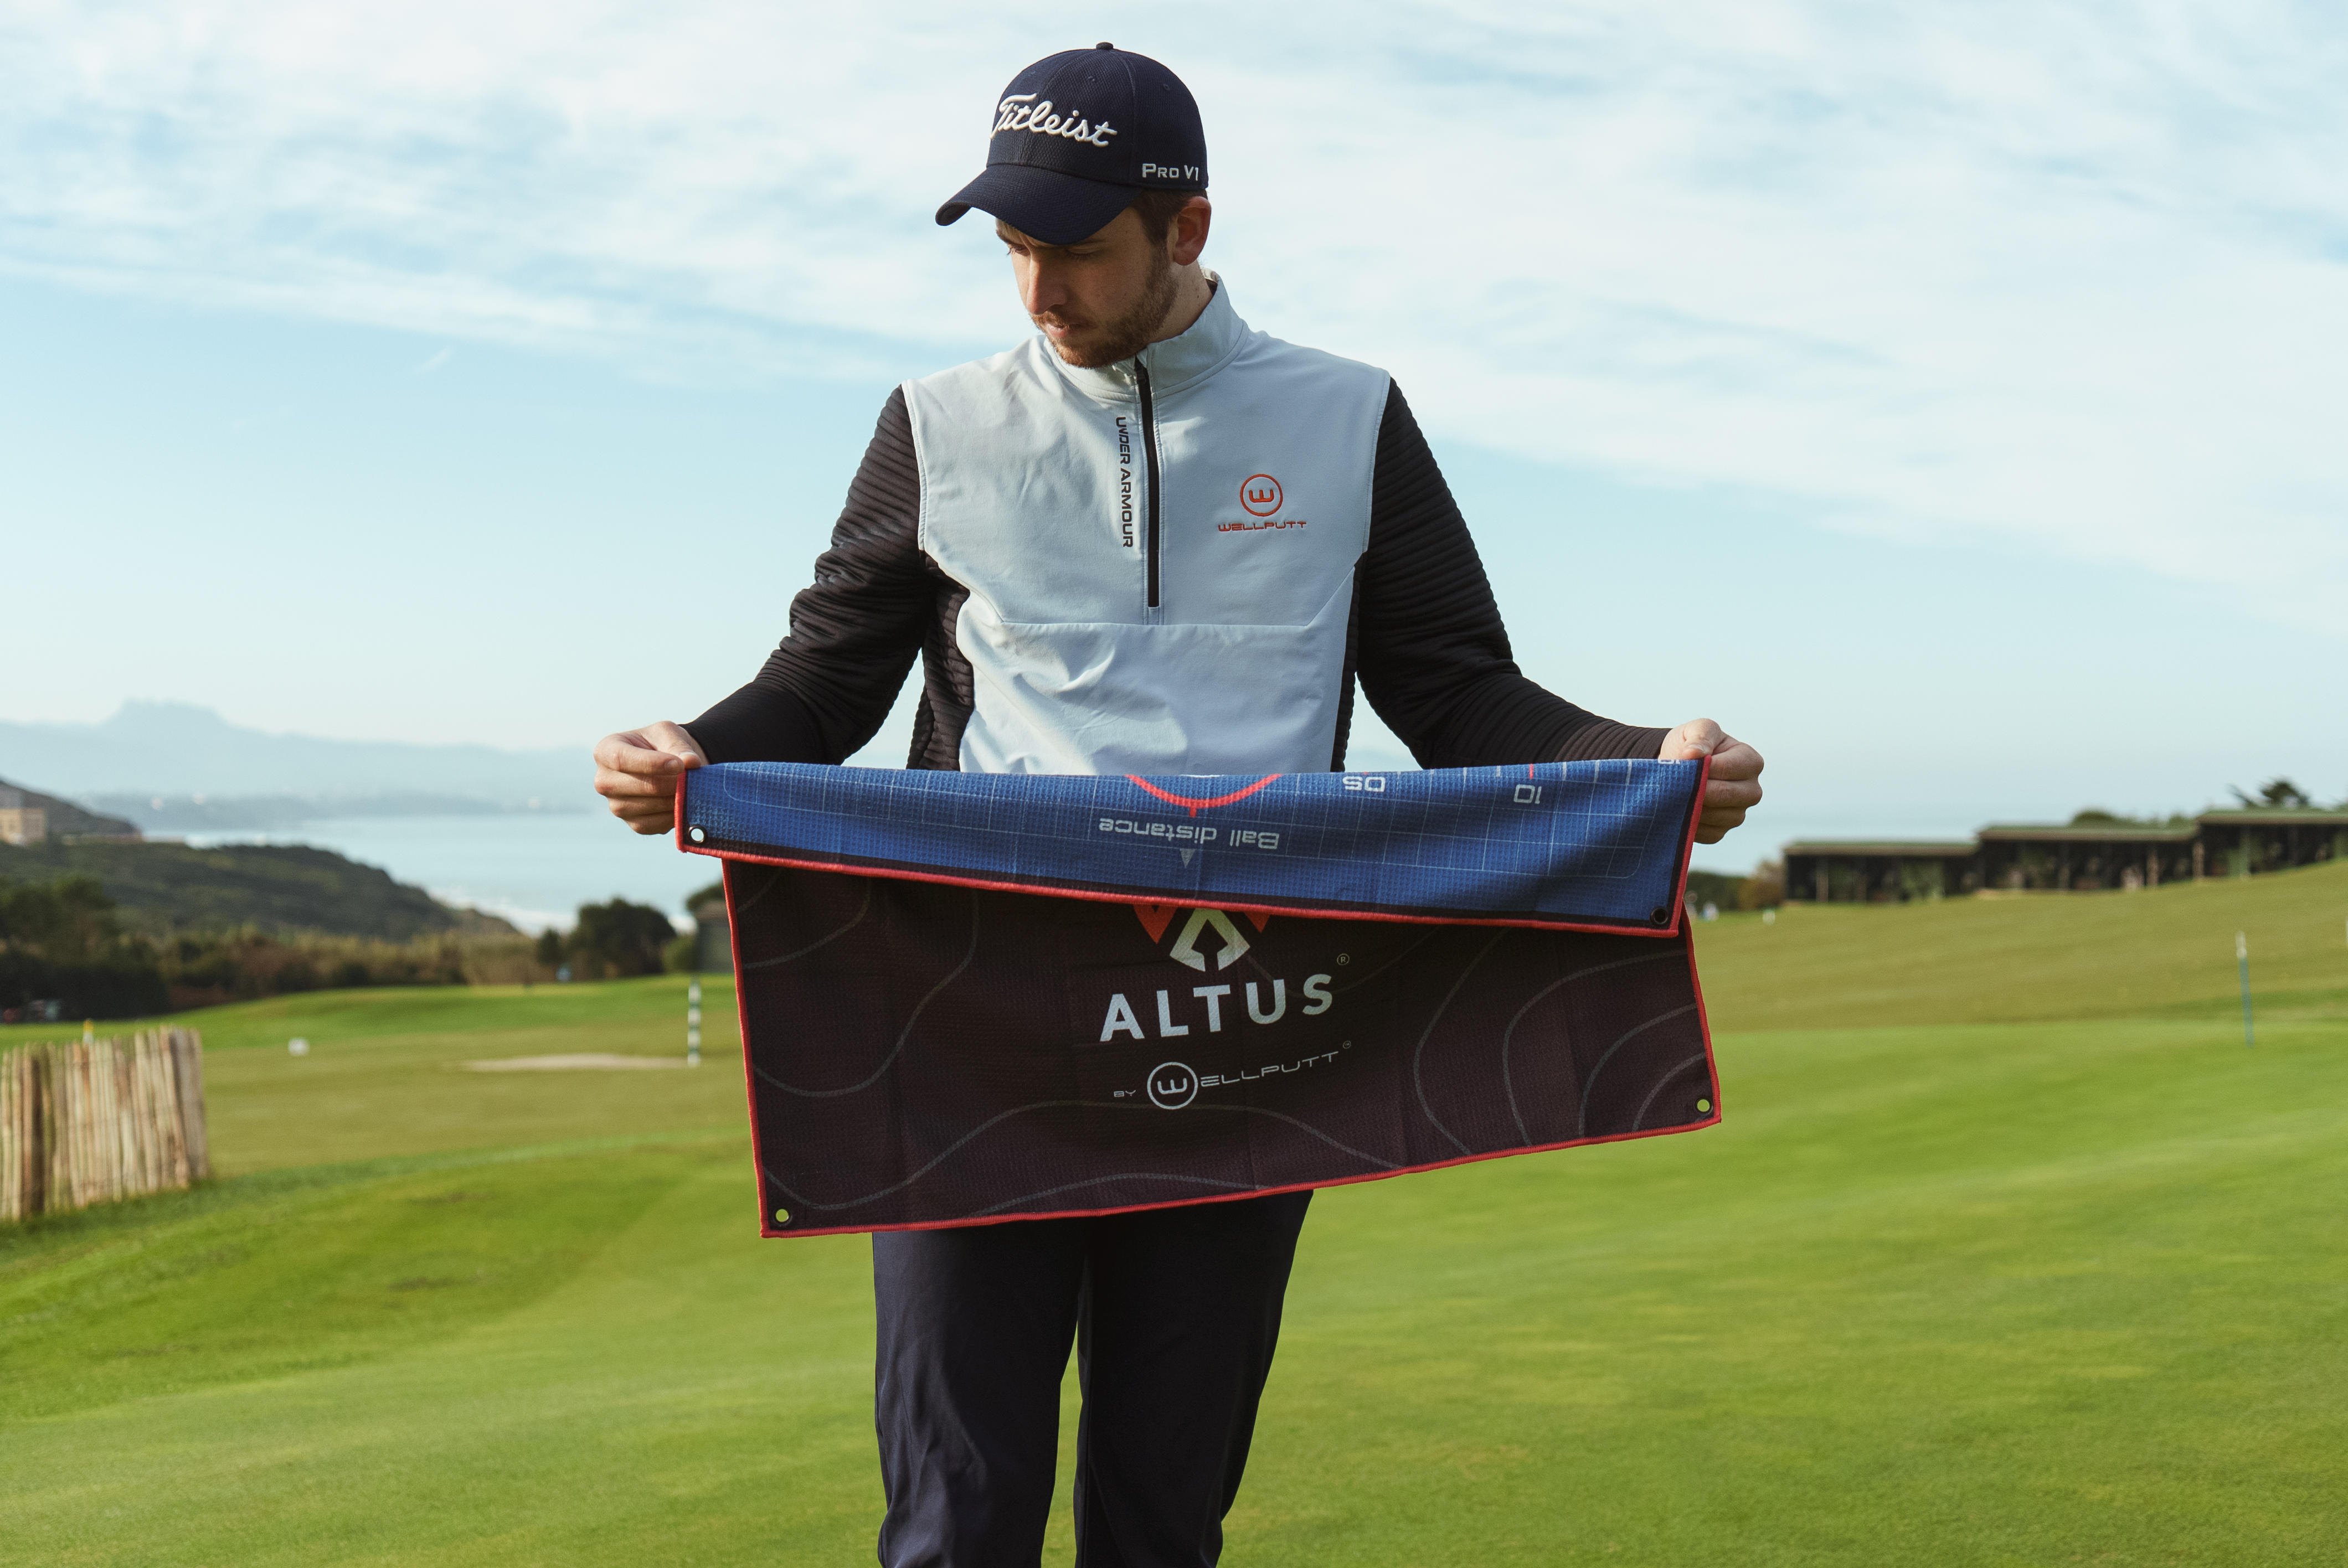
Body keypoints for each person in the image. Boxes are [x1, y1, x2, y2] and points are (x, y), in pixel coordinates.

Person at [594, 43, 1763, 1568]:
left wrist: (1652, 766)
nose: (1040, 291)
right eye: (1014, 248)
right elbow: (825, 683)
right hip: (969, 1017)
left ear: (1186, 228)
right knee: (955, 1517)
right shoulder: (938, 422)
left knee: (1163, 1516)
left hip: (1237, 1019)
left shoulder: (1348, 419)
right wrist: (691, 748)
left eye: (1077, 249)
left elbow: (1460, 694)